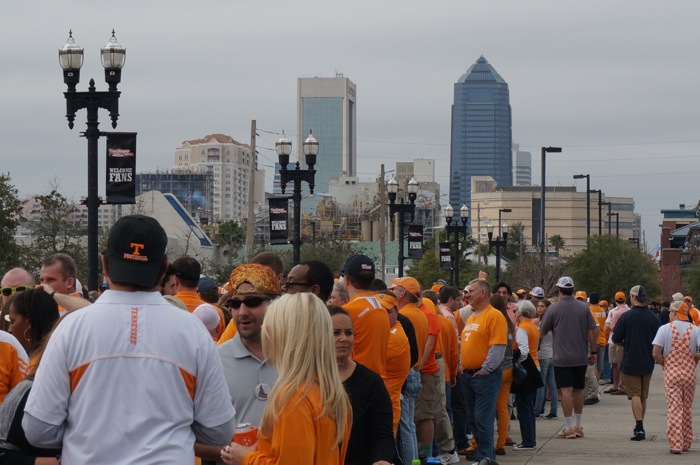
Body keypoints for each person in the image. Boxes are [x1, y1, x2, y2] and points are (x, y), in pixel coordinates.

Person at [24, 214, 236, 464]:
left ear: (104, 265)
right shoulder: (192, 331)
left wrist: (81, 434)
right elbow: (218, 431)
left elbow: (38, 430)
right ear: (164, 268)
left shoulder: (71, 328)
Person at [220, 293, 351, 465]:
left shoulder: (294, 397)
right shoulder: (330, 391)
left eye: (271, 325)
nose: (263, 329)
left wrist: (246, 458)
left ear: (287, 335)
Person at [196, 263, 281, 464]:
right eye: (235, 304)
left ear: (275, 304)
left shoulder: (295, 358)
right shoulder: (214, 361)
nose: (242, 312)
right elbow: (190, 435)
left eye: (252, 302)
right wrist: (231, 453)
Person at [329, 306, 395, 465]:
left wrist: (382, 459)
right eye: (335, 333)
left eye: (348, 333)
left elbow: (382, 435)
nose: (344, 338)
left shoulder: (371, 382)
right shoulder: (309, 380)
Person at [539, 276, 597, 440]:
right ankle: (578, 426)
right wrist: (593, 352)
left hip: (561, 357)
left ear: (559, 289)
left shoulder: (553, 308)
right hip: (580, 356)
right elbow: (592, 330)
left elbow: (542, 330)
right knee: (578, 391)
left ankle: (568, 427)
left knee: (565, 391)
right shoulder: (583, 308)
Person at [459, 279, 507, 463]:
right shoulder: (472, 317)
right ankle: (483, 455)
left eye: (471, 291)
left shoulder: (494, 316)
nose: (467, 294)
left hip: (484, 376)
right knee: (472, 419)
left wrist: (486, 369)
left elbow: (498, 347)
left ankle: (486, 457)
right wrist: (462, 364)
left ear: (483, 293)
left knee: (482, 418)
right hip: (469, 375)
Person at [612, 285, 660, 441]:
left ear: (633, 298)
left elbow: (616, 338)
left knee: (634, 395)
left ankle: (639, 427)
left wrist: (626, 343)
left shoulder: (626, 317)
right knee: (643, 396)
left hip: (631, 360)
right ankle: (640, 424)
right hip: (648, 361)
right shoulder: (654, 318)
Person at [652, 300, 700, 454]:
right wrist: (695, 358)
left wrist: (664, 364)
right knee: (686, 408)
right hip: (689, 373)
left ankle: (676, 443)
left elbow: (656, 353)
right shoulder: (695, 330)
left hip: (672, 373)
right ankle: (686, 441)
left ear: (674, 312)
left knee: (674, 408)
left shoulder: (664, 329)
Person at [341, 255, 389, 380]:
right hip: (378, 381)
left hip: (356, 381)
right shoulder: (382, 308)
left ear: (347, 280)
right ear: (373, 281)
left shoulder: (348, 311)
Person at [375, 291, 411, 435]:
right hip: (383, 403)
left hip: (386, 406)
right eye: (379, 310)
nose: (382, 314)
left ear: (396, 311)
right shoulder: (388, 330)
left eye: (387, 311)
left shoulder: (394, 336)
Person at [512, 300, 540, 451]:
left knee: (523, 407)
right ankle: (530, 439)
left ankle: (528, 441)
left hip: (526, 369)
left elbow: (523, 351)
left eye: (516, 310)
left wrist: (515, 361)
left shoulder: (522, 329)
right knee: (528, 406)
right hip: (535, 366)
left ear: (522, 312)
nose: (515, 312)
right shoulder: (533, 327)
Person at [6, 288, 60, 368]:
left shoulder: (40, 366)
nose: (9, 330)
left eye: (12, 321)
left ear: (29, 321)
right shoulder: (59, 354)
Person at [535, 299, 558, 419]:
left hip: (543, 355)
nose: (539, 308)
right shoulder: (556, 322)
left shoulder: (544, 322)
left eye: (542, 306)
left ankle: (538, 409)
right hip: (553, 354)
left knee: (541, 384)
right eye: (538, 306)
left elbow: (539, 336)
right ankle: (554, 410)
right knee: (552, 384)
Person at [604, 291, 630, 396]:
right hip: (612, 340)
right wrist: (615, 328)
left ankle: (622, 386)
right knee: (614, 364)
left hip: (621, 341)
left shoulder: (628, 311)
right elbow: (606, 325)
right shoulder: (612, 311)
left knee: (621, 364)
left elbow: (608, 326)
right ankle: (615, 386)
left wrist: (614, 328)